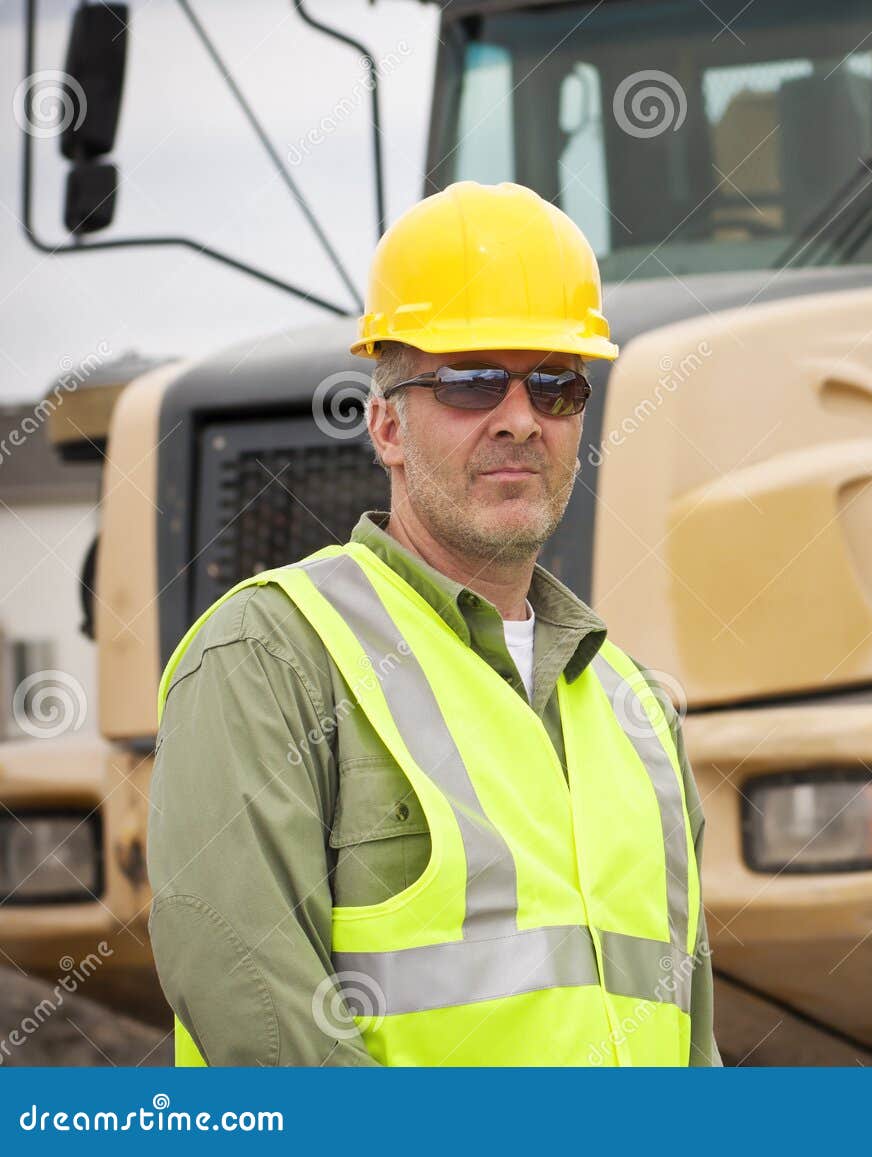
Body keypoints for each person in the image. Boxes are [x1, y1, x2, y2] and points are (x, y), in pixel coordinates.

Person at [149, 181, 718, 1066]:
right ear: (385, 425)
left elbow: (691, 1043)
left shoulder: (638, 709)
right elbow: (260, 1027)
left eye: (558, 386)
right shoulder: (269, 658)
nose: (520, 419)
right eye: (470, 382)